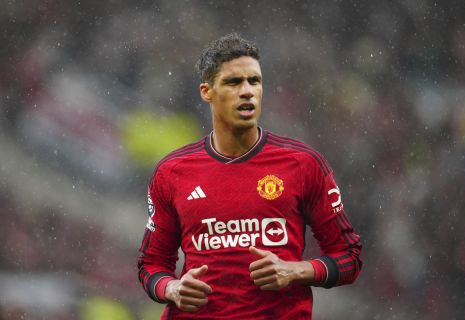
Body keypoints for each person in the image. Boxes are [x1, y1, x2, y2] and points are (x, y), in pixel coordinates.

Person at [137, 33, 362, 319]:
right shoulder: (173, 172)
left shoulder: (303, 164)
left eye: (254, 81)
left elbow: (349, 258)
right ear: (207, 92)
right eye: (234, 82)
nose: (247, 91)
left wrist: (296, 270)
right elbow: (151, 263)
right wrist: (171, 288)